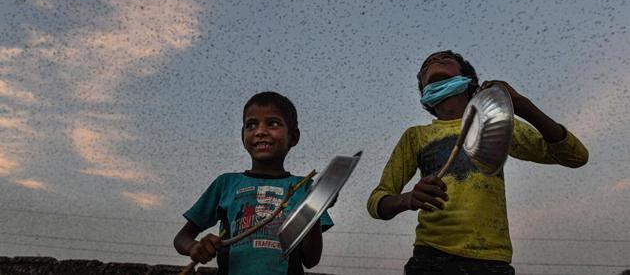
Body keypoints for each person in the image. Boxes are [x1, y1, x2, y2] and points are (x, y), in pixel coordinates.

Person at [366, 50, 588, 275]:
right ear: (423, 90)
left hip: (492, 258)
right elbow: (377, 201)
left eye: (444, 60)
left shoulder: (494, 124)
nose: (433, 62)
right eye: (426, 67)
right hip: (431, 256)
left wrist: (521, 105)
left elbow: (575, 156)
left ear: (468, 81)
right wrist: (408, 199)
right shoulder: (415, 136)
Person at [175, 91, 333, 275]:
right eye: (251, 125)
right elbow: (181, 238)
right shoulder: (226, 184)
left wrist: (315, 207)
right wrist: (194, 247)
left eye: (273, 124)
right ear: (242, 137)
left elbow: (311, 260)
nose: (260, 132)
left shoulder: (305, 187)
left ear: (294, 137)